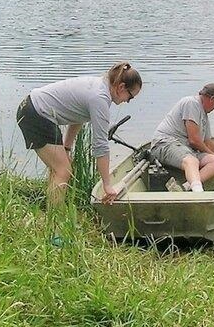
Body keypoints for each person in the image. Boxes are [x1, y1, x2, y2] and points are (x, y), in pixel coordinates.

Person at [16, 62, 143, 216]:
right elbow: (101, 147)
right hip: (36, 114)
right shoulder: (100, 99)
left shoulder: (99, 86)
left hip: (31, 108)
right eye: (130, 97)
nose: (127, 101)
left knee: (59, 168)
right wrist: (107, 185)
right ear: (121, 87)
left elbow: (78, 116)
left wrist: (67, 148)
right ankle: (55, 221)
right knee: (62, 170)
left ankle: (51, 211)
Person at [148, 82, 214, 193]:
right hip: (165, 144)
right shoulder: (191, 103)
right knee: (192, 160)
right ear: (212, 99)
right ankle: (198, 193)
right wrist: (210, 153)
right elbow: (194, 140)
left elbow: (207, 142)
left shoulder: (204, 116)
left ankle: (185, 188)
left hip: (186, 150)